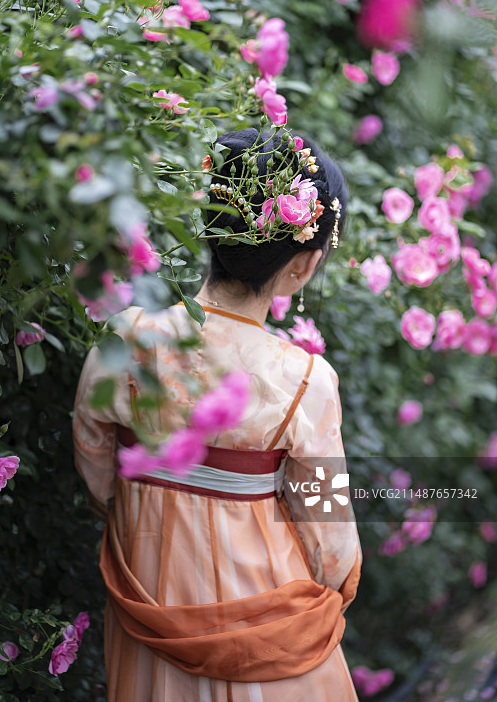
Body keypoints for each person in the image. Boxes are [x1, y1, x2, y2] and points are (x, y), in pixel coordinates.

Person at [72, 127, 362, 701]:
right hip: (270, 627)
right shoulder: (304, 380)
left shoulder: (128, 338)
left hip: (149, 595)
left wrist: (145, 510)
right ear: (302, 266)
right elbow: (331, 543)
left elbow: (95, 458)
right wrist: (336, 585)